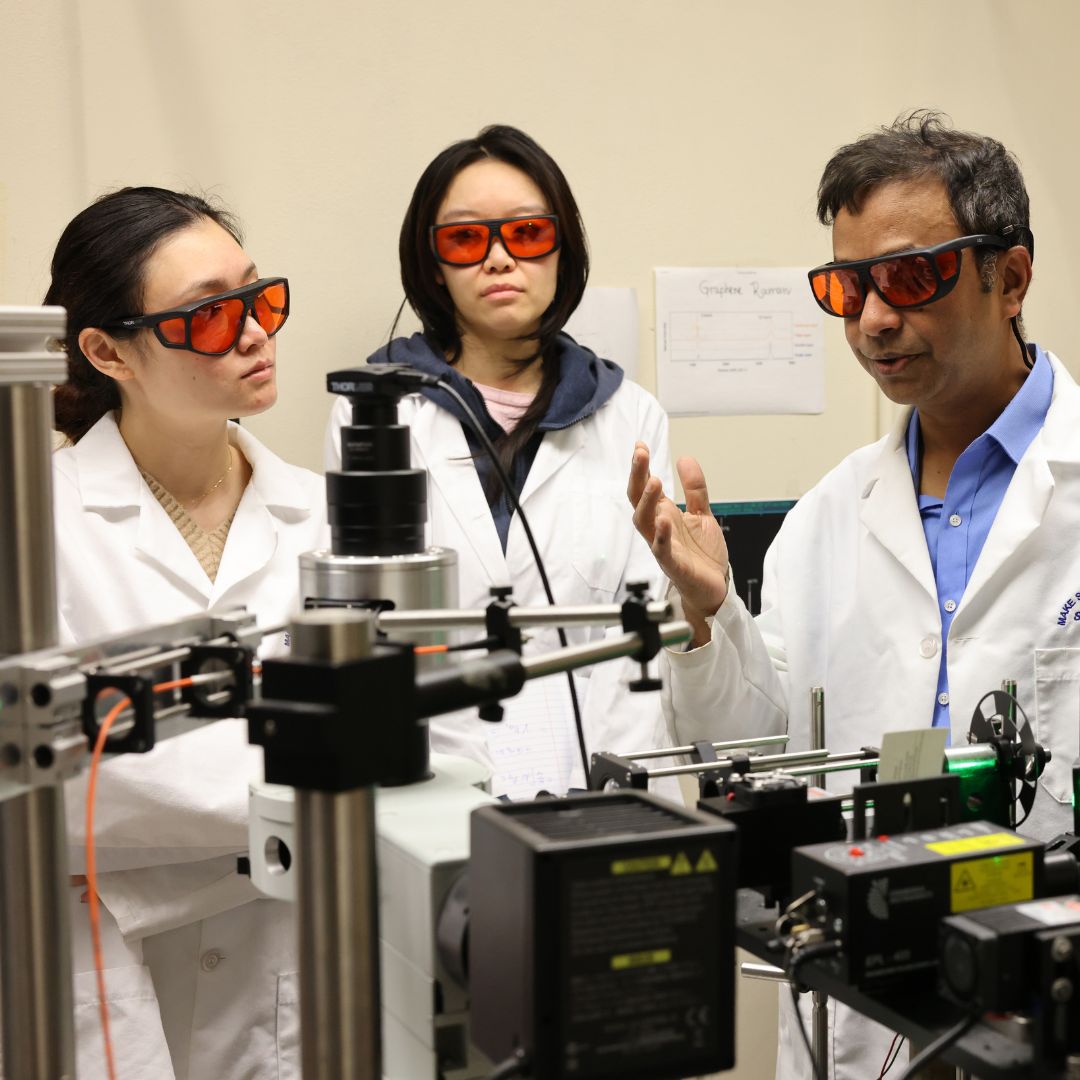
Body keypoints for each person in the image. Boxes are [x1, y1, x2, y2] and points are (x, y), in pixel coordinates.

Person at [629, 112, 1078, 1078]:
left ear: (1012, 276)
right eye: (848, 286)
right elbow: (764, 744)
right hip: (864, 1004)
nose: (874, 318)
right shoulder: (827, 517)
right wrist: (709, 624)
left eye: (911, 277)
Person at [47, 187, 328, 1079]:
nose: (253, 331)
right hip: (101, 975)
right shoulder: (34, 529)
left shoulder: (329, 521)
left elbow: (423, 742)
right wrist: (305, 775)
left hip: (297, 967)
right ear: (106, 351)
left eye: (259, 296)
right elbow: (62, 793)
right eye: (209, 315)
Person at [325, 124, 675, 800]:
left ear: (561, 250)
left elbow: (644, 641)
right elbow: (375, 629)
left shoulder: (631, 416)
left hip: (602, 780)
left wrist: (622, 800)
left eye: (527, 235)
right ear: (433, 265)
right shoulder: (376, 413)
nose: (498, 259)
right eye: (464, 239)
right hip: (434, 777)